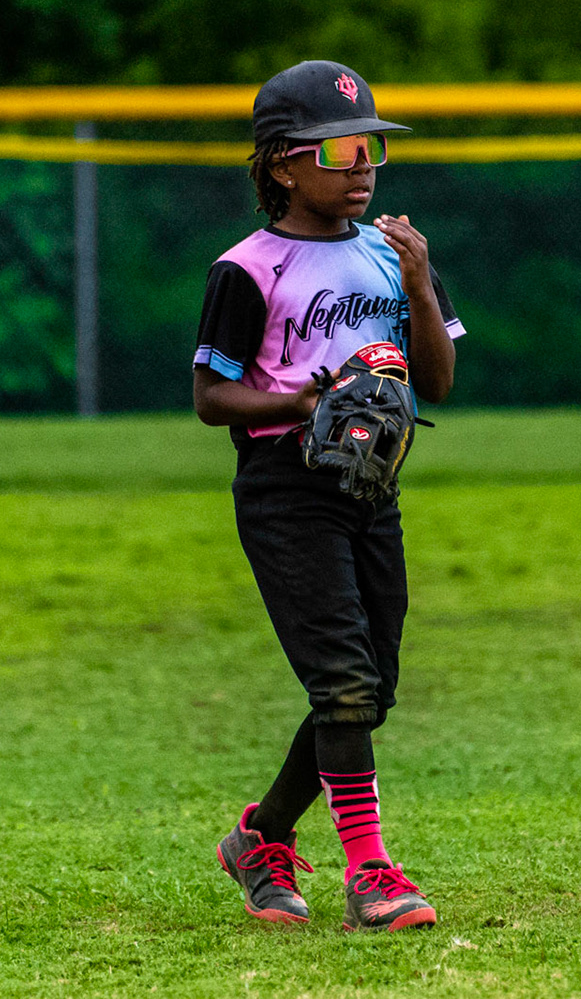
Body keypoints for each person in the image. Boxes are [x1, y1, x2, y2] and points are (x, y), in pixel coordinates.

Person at [192, 60, 465, 932]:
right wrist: (297, 402)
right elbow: (210, 398)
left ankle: (262, 836)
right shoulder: (247, 268)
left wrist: (420, 285)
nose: (362, 166)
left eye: (372, 147)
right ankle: (372, 874)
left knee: (370, 687)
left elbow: (439, 381)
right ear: (282, 165)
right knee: (344, 684)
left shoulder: (394, 255)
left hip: (371, 488)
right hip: (286, 489)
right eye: (341, 148)